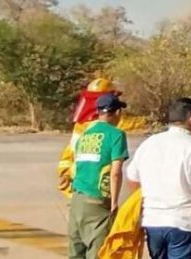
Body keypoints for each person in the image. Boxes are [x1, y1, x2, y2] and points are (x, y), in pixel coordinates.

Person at [125, 98, 191, 259]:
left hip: (153, 222)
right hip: (184, 224)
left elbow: (132, 178)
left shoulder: (149, 144)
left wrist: (144, 203)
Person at [68, 93, 129, 259]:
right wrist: (115, 202)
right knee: (98, 251)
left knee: (76, 250)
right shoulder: (116, 135)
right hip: (97, 199)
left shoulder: (85, 135)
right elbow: (116, 171)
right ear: (116, 113)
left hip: (77, 198)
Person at [58, 78, 118, 197]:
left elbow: (69, 153)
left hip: (80, 184)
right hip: (95, 185)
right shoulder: (107, 127)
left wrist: (65, 174)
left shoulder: (81, 125)